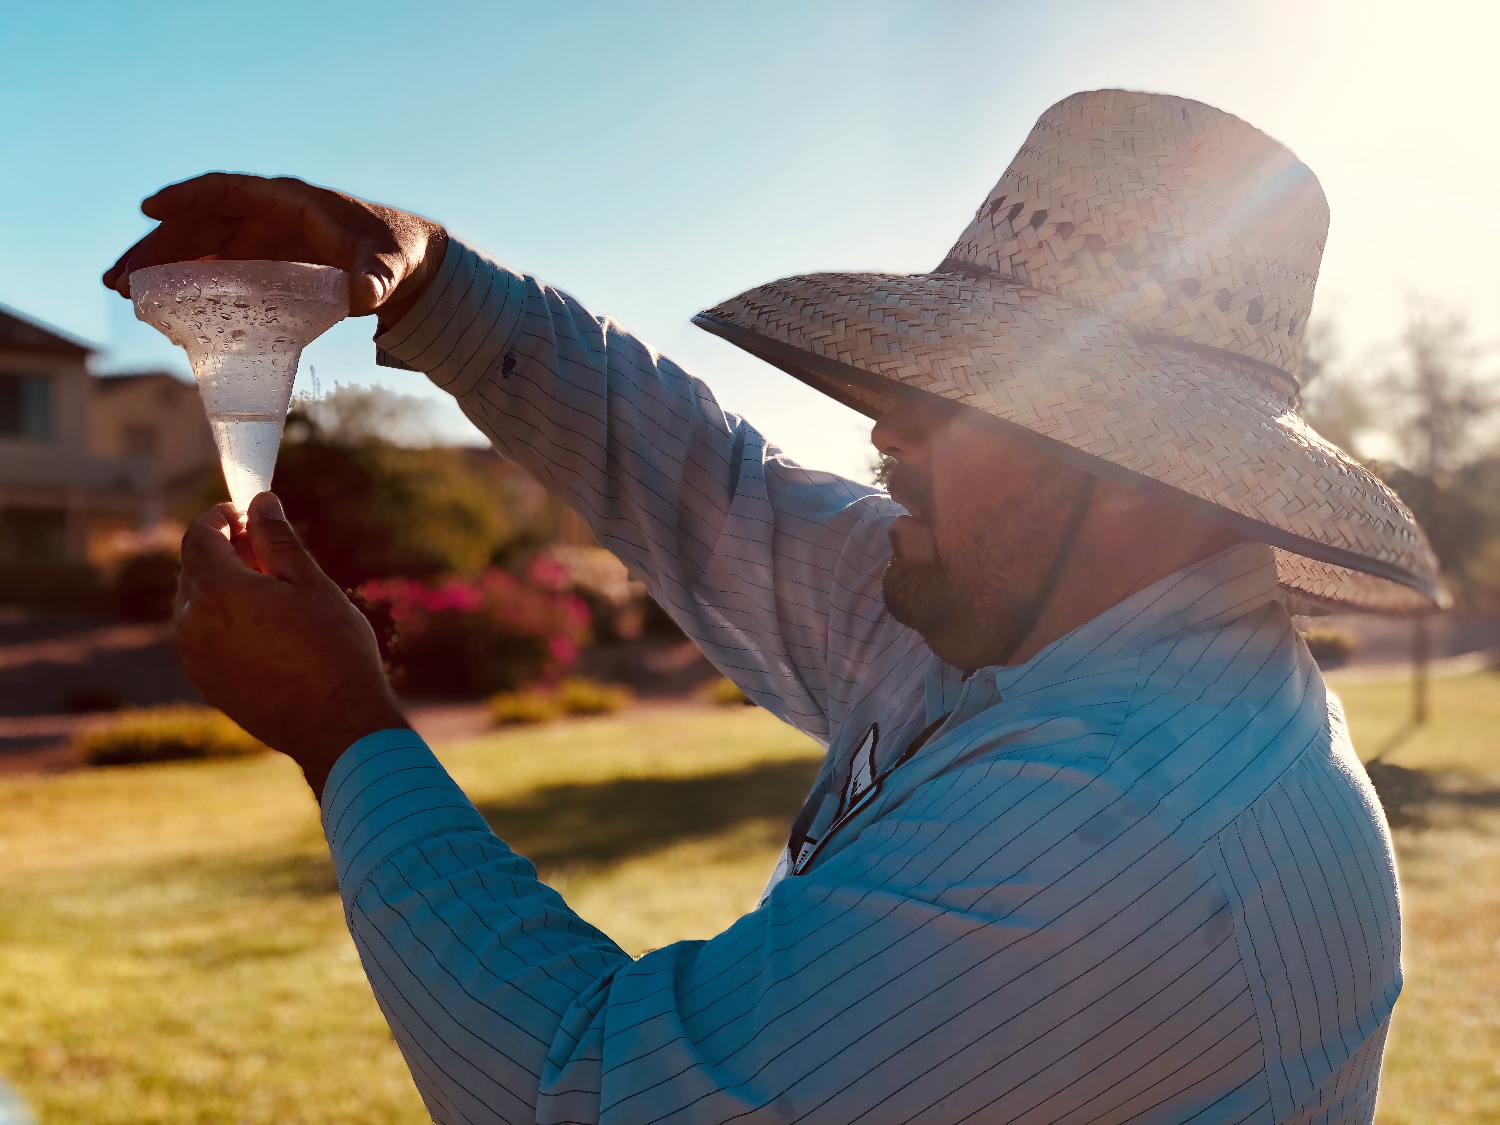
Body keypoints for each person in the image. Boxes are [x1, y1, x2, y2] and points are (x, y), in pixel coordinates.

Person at [103, 91, 1440, 1124]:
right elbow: (721, 495)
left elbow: (588, 1096)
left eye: (958, 400)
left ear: (1156, 477)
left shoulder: (1111, 817)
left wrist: (345, 727)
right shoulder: (1024, 631)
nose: (883, 433)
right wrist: (435, 278)